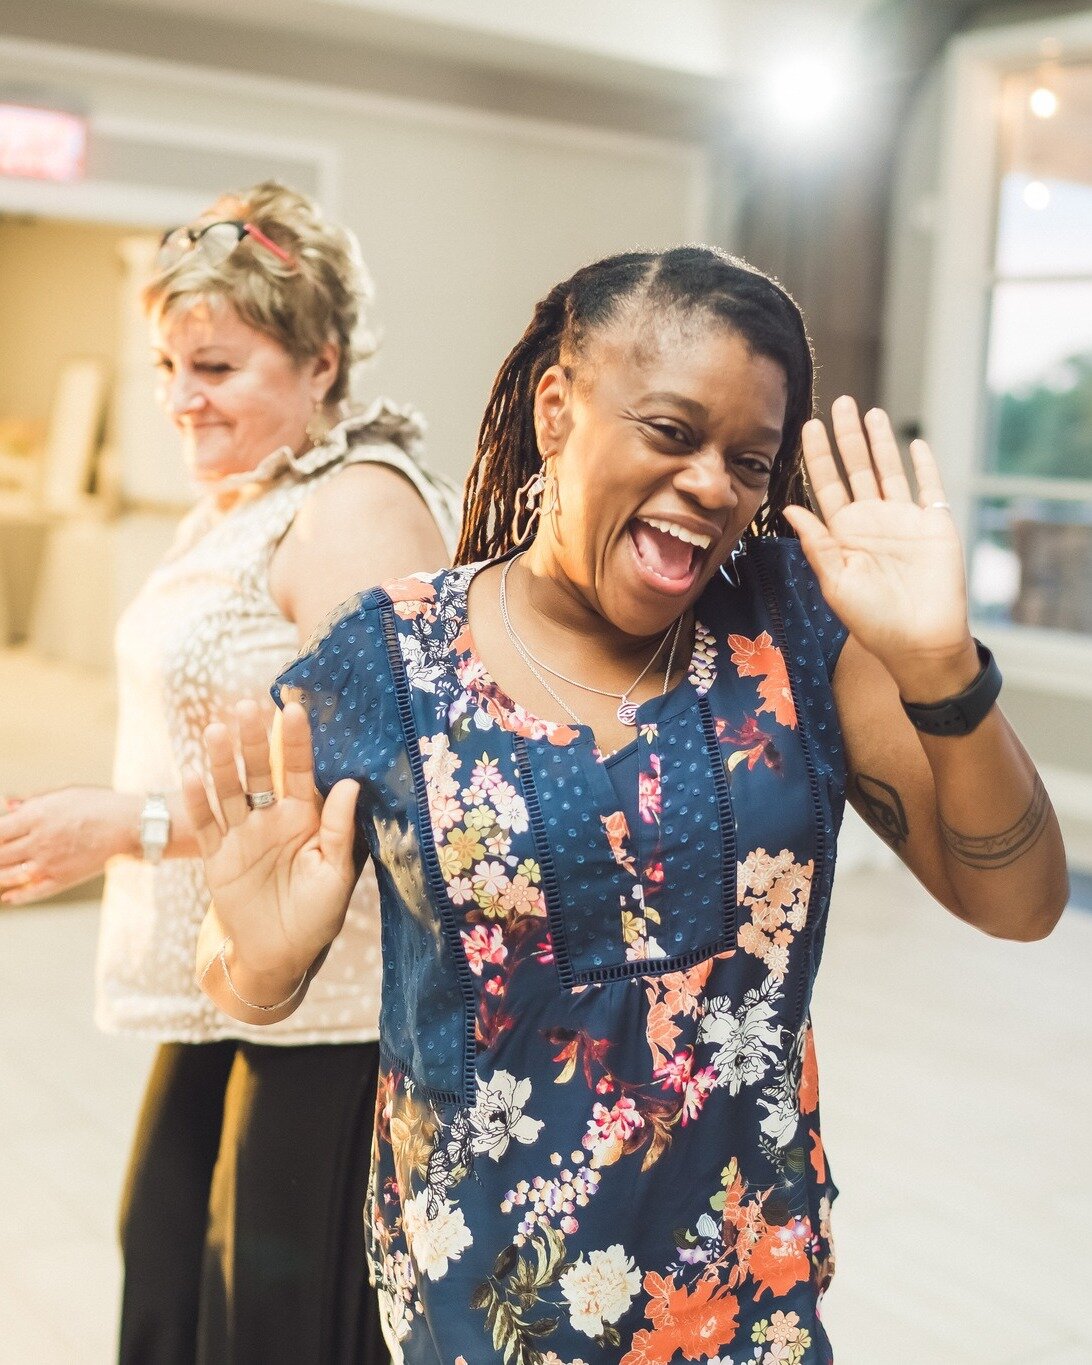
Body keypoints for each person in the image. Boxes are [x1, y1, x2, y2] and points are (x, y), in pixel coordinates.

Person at [183, 247, 1068, 1364]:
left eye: (750, 459)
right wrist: (258, 958)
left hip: (746, 1292)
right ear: (558, 410)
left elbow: (1022, 903)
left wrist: (943, 670)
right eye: (671, 431)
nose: (716, 484)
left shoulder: (793, 628)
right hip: (483, 1309)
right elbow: (241, 970)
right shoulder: (388, 660)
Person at [0, 181, 457, 1363]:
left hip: (332, 1008)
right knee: (165, 1279)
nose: (176, 401)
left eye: (213, 367)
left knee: (267, 1324)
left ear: (321, 361)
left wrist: (126, 826)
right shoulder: (254, 498)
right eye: (164, 366)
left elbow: (384, 789)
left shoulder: (359, 507)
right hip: (233, 987)